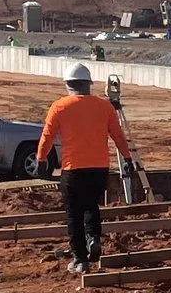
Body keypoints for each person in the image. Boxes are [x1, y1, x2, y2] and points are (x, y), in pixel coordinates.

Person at [36, 63, 135, 272]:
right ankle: (93, 238)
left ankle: (80, 259)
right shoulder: (104, 106)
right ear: (88, 84)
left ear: (68, 85)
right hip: (99, 169)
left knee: (73, 213)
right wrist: (127, 158)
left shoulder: (60, 106)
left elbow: (47, 136)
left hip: (73, 169)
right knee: (91, 206)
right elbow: (118, 135)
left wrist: (41, 159)